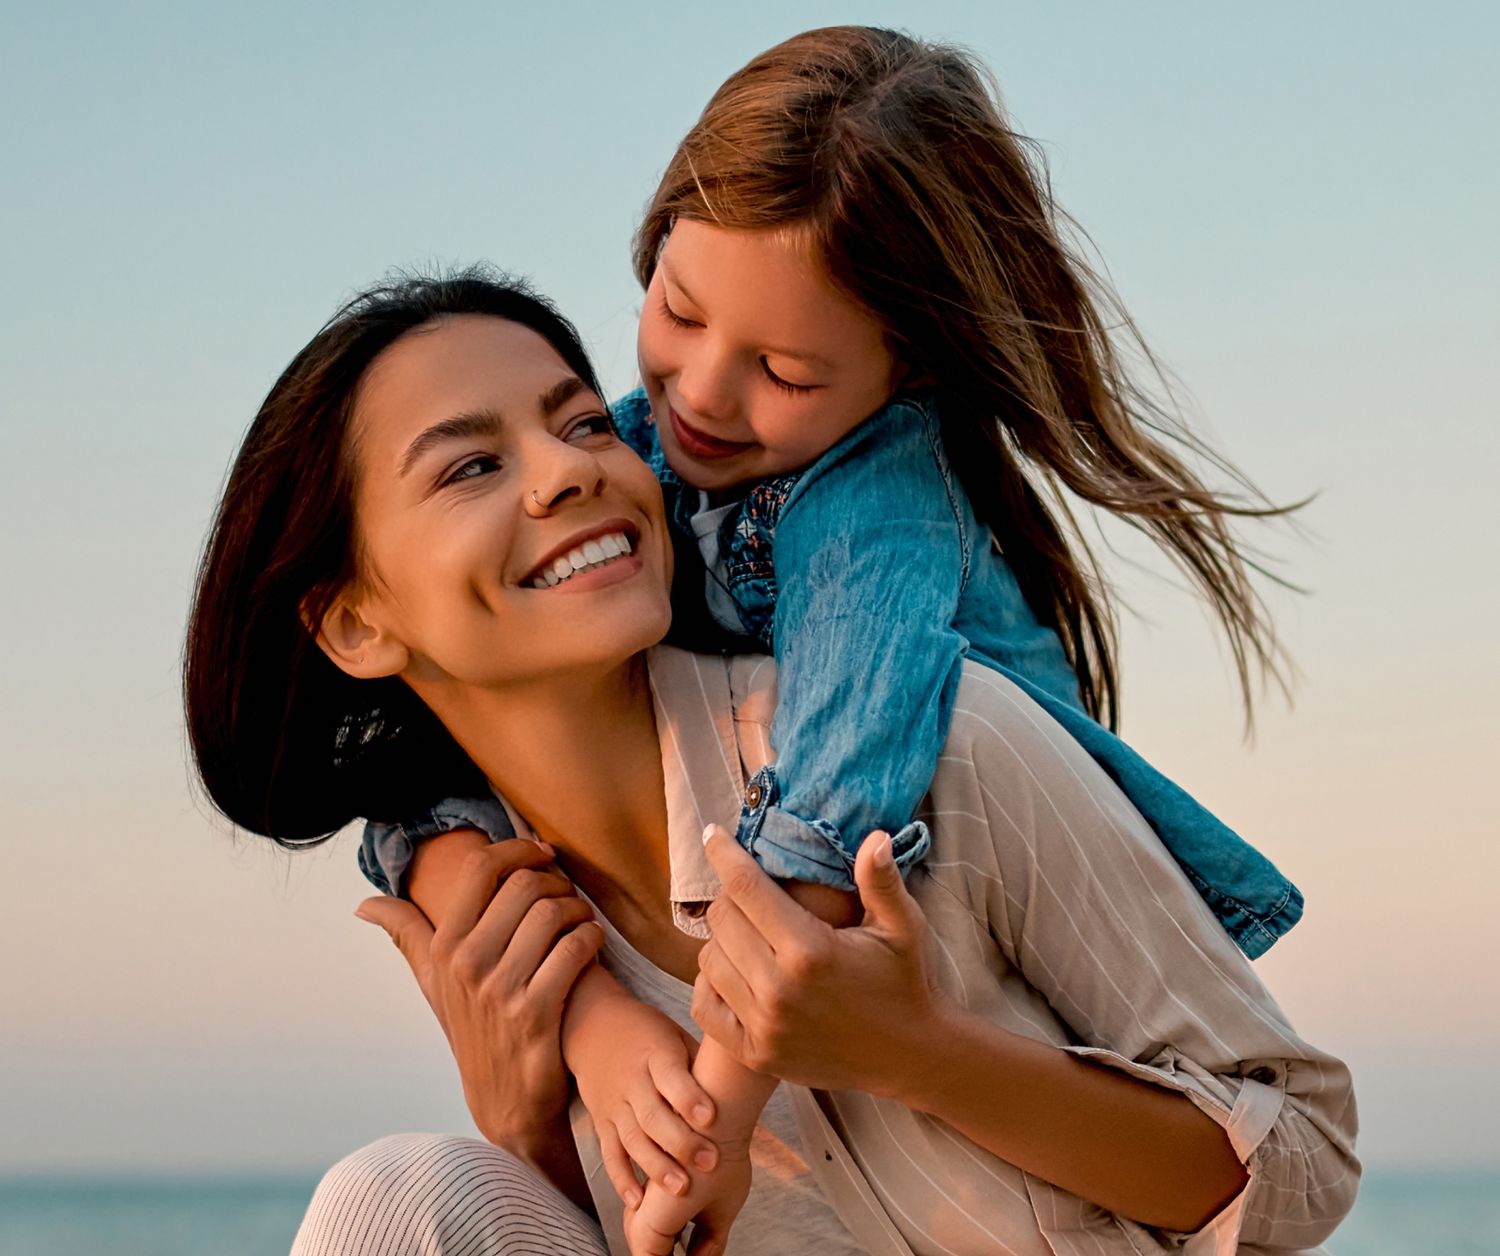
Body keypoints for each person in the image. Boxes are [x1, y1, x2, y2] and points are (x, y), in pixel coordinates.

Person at [358, 26, 1308, 1247]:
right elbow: (414, 772)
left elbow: (830, 808)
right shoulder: (629, 465)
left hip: (936, 866)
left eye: (785, 372)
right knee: (402, 1191)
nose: (700, 393)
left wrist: (727, 1108)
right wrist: (567, 1030)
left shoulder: (879, 513)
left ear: (901, 366)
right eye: (677, 309)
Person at [184, 270, 1358, 1255]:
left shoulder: (934, 743)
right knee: (406, 1194)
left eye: (585, 420)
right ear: (354, 625)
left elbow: (1306, 1158)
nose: (568, 469)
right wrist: (528, 1130)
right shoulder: (501, 932)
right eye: (470, 466)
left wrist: (921, 1054)